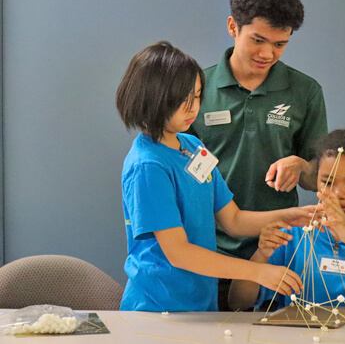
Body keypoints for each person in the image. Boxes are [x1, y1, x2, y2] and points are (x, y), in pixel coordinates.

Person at [116, 41, 310, 312]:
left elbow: (233, 220)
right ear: (151, 98)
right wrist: (257, 272)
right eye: (182, 100)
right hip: (157, 307)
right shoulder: (148, 166)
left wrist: (290, 217)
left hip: (201, 305)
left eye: (196, 97)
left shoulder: (194, 147)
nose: (193, 108)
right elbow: (179, 252)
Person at [186, 0, 328, 311]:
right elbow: (183, 174)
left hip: (280, 252)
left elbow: (319, 178)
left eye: (280, 44)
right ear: (233, 27)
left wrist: (302, 165)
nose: (267, 54)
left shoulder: (305, 91)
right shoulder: (196, 89)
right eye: (258, 40)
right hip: (211, 254)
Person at [229, 129, 345, 312]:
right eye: (327, 183)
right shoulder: (292, 235)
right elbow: (238, 302)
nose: (337, 194)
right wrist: (261, 254)